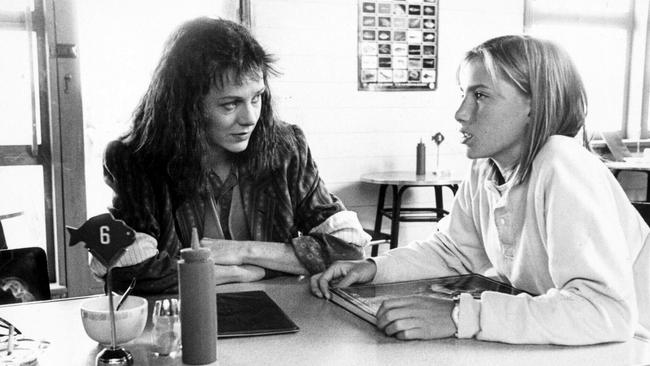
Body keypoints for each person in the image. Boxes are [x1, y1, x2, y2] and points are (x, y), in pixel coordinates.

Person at [311, 35, 650, 345]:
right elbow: (455, 251)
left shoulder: (561, 162)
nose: (461, 113)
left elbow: (605, 313)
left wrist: (461, 314)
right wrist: (374, 269)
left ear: (534, 105)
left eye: (481, 96)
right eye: (463, 94)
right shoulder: (486, 165)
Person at [90, 17, 370, 294]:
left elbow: (348, 251)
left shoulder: (287, 147)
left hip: (279, 315)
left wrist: (241, 251)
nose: (250, 118)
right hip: (180, 323)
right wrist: (245, 272)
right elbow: (126, 270)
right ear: (188, 106)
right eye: (230, 104)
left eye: (256, 98)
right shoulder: (135, 158)